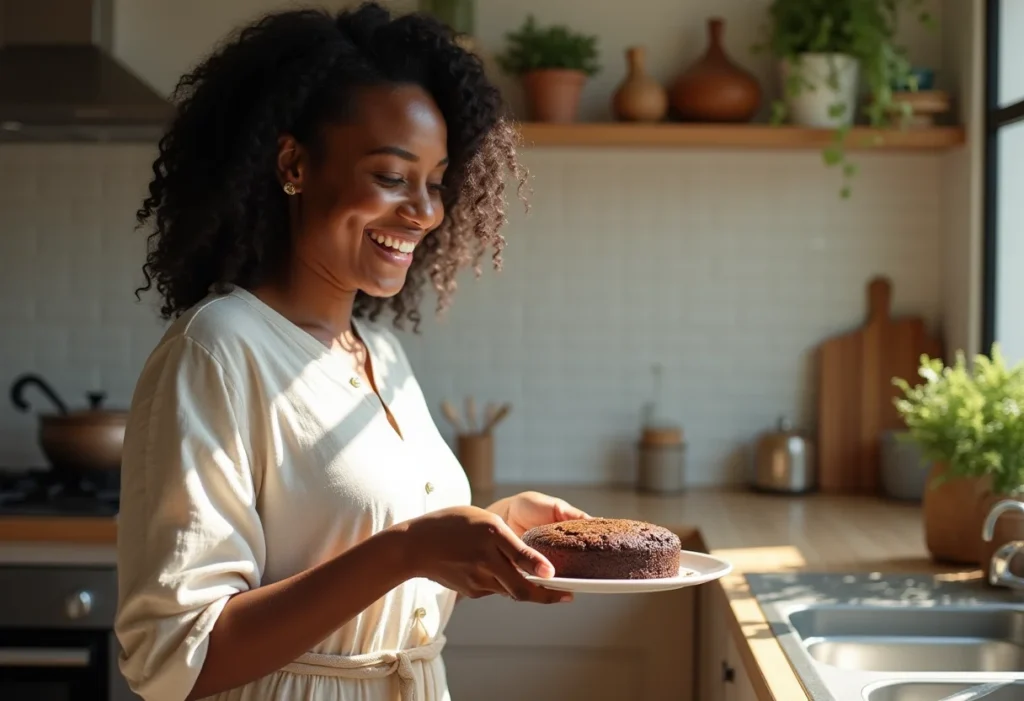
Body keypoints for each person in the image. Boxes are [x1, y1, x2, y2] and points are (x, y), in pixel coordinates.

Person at [113, 4, 592, 701]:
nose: (424, 212)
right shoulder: (217, 350)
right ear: (294, 164)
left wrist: (491, 534)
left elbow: (358, 552)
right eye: (392, 177)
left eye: (435, 182)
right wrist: (411, 549)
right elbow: (175, 658)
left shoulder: (381, 352)